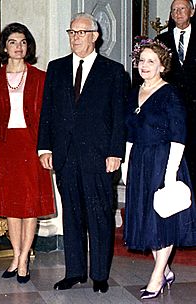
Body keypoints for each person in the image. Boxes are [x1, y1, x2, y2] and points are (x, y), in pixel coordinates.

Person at [38, 12, 126, 293]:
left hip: (98, 156)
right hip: (65, 155)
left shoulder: (113, 71)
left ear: (94, 36)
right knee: (72, 214)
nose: (75, 38)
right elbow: (47, 113)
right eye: (72, 33)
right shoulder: (56, 68)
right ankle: (74, 271)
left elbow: (118, 117)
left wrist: (115, 152)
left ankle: (99, 273)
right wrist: (45, 146)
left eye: (81, 33)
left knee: (99, 214)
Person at [122, 38, 196, 300]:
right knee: (146, 218)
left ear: (162, 66)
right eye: (141, 60)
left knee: (161, 221)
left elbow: (178, 136)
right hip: (140, 162)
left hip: (163, 161)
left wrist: (169, 173)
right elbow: (129, 133)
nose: (144, 65)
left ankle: (157, 276)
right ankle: (165, 269)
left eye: (151, 61)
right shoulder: (134, 92)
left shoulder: (170, 94)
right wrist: (126, 165)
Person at [0, 22, 55, 284]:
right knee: (13, 207)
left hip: (32, 145)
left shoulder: (40, 77)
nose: (18, 47)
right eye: (13, 42)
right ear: (4, 46)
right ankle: (16, 256)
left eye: (23, 42)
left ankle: (24, 259)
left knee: (31, 206)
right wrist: (2, 134)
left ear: (28, 47)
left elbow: (47, 115)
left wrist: (44, 145)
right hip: (7, 144)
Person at [156, 0, 196, 194]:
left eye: (182, 9)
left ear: (192, 12)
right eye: (174, 10)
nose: (178, 13)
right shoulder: (161, 41)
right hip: (170, 112)